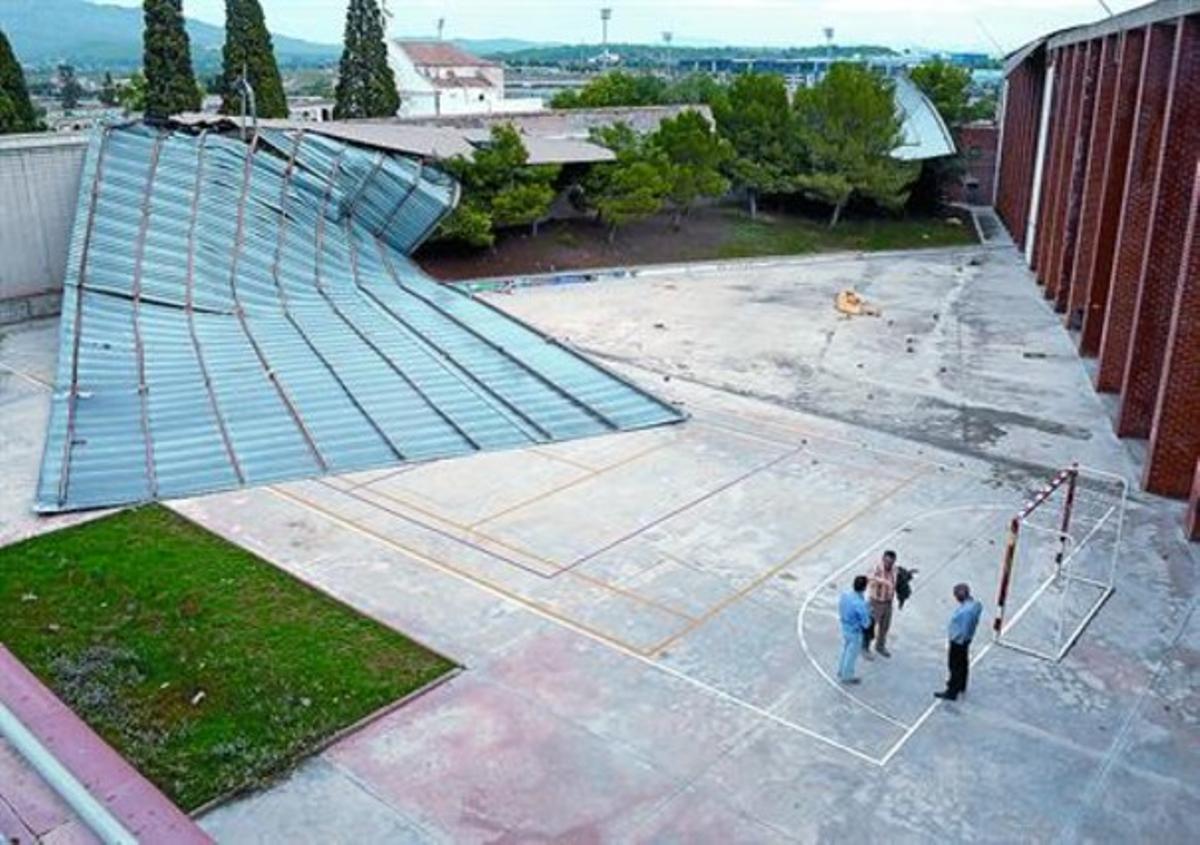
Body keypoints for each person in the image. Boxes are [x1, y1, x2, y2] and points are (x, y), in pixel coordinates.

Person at [935, 582, 983, 701]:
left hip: (958, 641)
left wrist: (957, 639)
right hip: (966, 640)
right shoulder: (975, 605)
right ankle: (961, 684)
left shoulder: (965, 611)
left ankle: (952, 691)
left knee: (954, 665)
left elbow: (964, 628)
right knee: (963, 663)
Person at [837, 575, 873, 684]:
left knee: (846, 649)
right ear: (864, 588)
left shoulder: (845, 595)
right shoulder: (860, 604)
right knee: (851, 654)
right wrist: (868, 612)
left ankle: (841, 670)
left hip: (845, 626)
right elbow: (866, 624)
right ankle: (847, 676)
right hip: (855, 631)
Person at [867, 550, 899, 656]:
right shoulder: (876, 568)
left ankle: (880, 646)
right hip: (875, 602)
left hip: (888, 602)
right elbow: (869, 578)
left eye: (891, 562)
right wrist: (882, 581)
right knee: (870, 625)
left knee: (885, 626)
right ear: (883, 559)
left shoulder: (895, 569)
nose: (888, 564)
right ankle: (865, 646)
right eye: (887, 562)